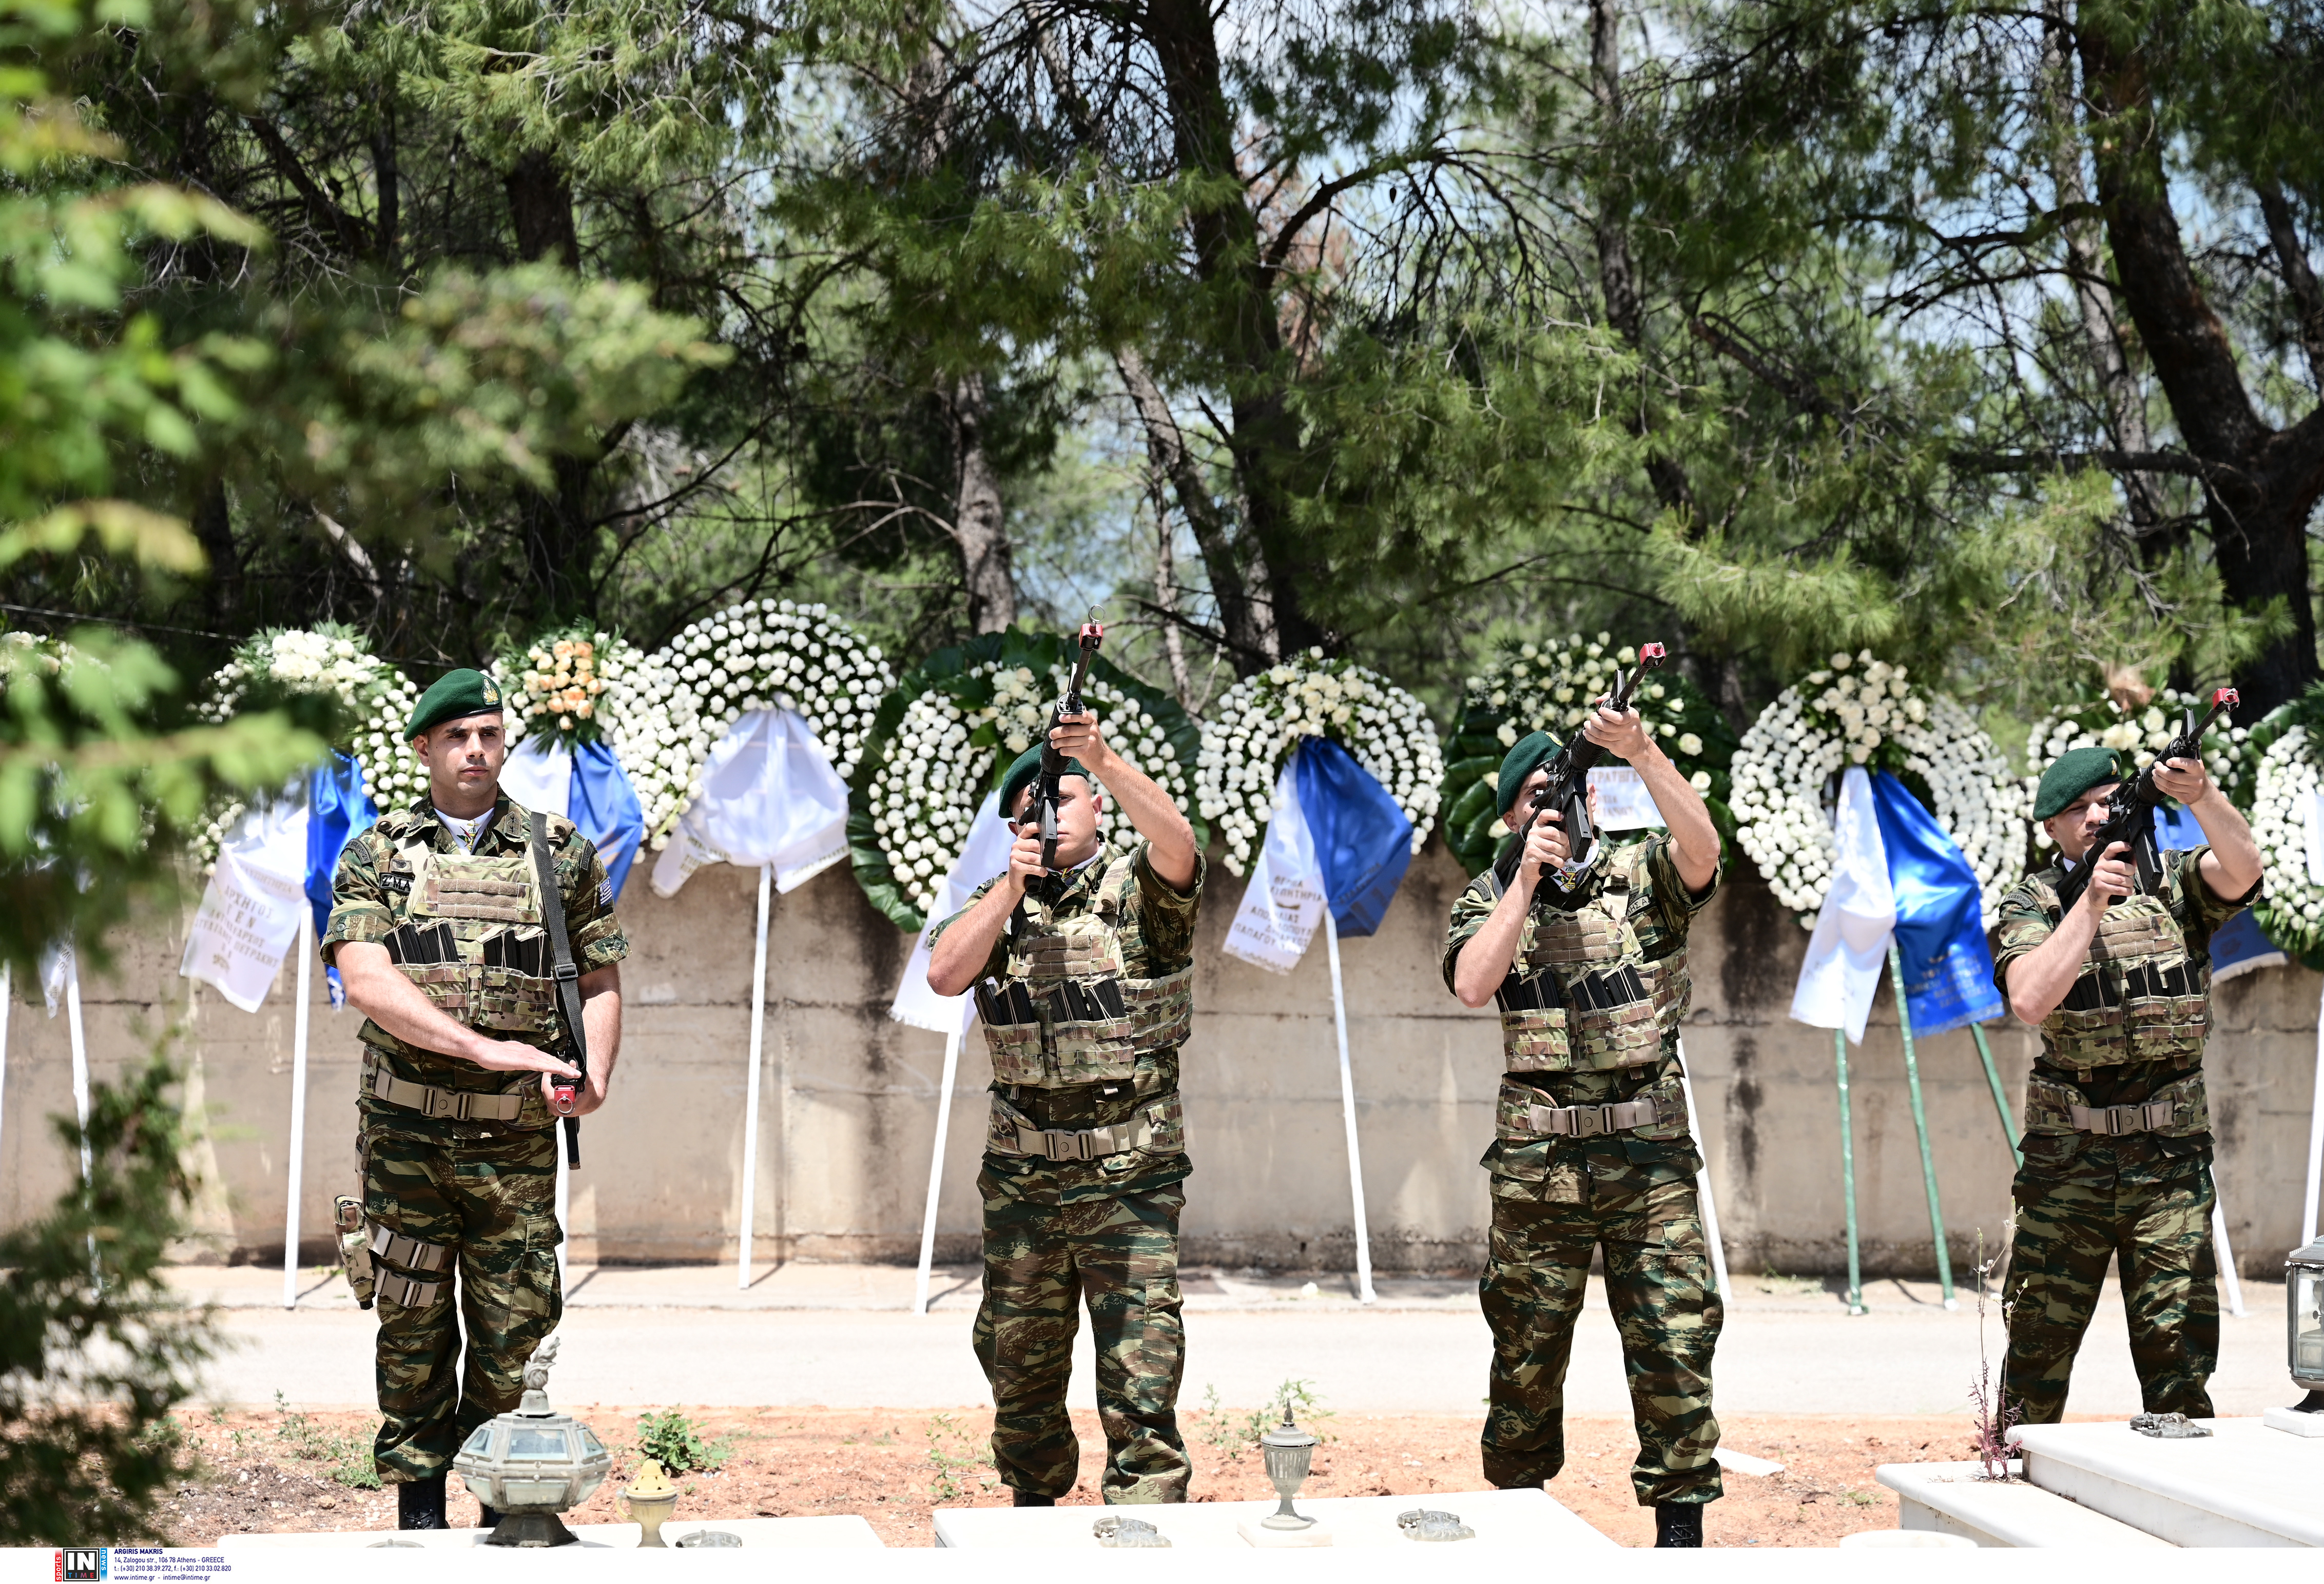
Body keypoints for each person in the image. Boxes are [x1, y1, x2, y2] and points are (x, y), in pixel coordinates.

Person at [323, 669, 627, 1530]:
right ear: (424, 747)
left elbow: (600, 977)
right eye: (457, 737)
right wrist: (486, 1048)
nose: (476, 750)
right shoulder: (377, 854)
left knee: (515, 1333)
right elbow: (365, 980)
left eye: (490, 734)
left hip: (515, 1143)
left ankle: (505, 1510)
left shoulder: (559, 852)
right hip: (407, 1136)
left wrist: (597, 1075)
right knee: (411, 1329)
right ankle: (420, 1518)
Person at [1443, 705, 1724, 1548]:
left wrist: (1642, 751)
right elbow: (1472, 983)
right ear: (1510, 817)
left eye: (1565, 791)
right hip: (1542, 1167)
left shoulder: (1643, 875)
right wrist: (1526, 883)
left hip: (1650, 1163)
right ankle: (1521, 1530)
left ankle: (1680, 1538)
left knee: (1675, 1341)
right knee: (1525, 1353)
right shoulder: (1490, 895)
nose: (1555, 806)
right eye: (1535, 796)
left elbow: (1703, 851)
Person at [925, 706, 1202, 1506]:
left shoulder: (1142, 894)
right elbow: (943, 975)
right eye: (1028, 811)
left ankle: (1147, 1526)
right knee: (1019, 1370)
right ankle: (1033, 1510)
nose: (1046, 816)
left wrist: (1104, 758)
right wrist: (1010, 889)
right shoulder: (998, 905)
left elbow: (1180, 845)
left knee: (1141, 1366)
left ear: (1098, 806)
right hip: (1024, 1185)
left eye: (1063, 798)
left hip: (1129, 1177)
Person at [1995, 742, 2262, 1424]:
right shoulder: (2035, 901)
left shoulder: (2174, 884)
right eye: (2077, 810)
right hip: (2069, 1167)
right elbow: (2029, 999)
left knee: (2179, 1357)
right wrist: (2090, 903)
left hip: (2169, 1164)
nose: (2095, 817)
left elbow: (2244, 870)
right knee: (2037, 1352)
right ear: (2051, 828)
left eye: (2106, 802)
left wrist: (2202, 796)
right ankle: (2015, 1477)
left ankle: (2181, 1477)